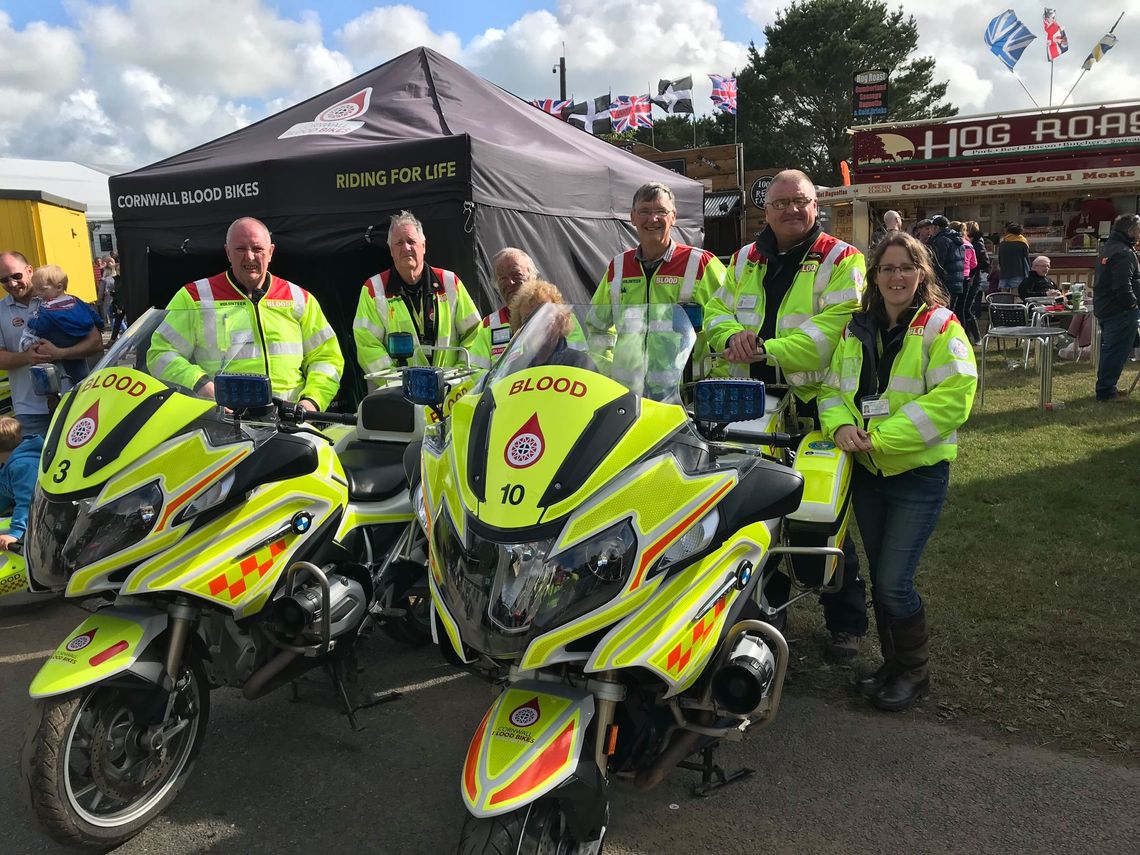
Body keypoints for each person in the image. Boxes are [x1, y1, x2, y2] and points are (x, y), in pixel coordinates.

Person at [705, 168, 868, 660]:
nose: (792, 210)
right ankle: (762, 617)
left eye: (802, 202)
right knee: (751, 513)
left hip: (816, 405)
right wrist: (728, 337)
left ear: (816, 206)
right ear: (766, 210)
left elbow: (833, 329)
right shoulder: (743, 259)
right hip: (751, 405)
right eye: (782, 203)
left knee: (820, 515)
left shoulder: (843, 259)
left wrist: (764, 350)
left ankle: (846, 622)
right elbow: (715, 310)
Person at [819, 232, 976, 711]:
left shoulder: (939, 326)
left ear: (922, 273)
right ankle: (892, 667)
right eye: (886, 268)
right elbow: (831, 391)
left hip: (915, 475)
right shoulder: (855, 328)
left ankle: (914, 673)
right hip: (867, 473)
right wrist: (842, 425)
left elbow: (953, 398)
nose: (896, 276)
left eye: (906, 267)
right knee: (883, 574)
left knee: (893, 582)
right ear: (874, 276)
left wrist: (882, 439)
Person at [148, 218, 344, 411]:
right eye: (240, 249)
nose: (249, 257)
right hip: (223, 422)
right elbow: (161, 353)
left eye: (257, 249)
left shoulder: (299, 298)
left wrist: (311, 401)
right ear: (227, 252)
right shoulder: (194, 297)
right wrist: (202, 386)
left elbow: (327, 358)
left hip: (289, 421)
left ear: (271, 252)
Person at [587, 182, 727, 391]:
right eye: (644, 211)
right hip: (628, 394)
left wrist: (714, 381)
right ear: (632, 217)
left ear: (673, 217)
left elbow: (729, 323)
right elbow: (596, 326)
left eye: (661, 211)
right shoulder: (619, 267)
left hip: (685, 396)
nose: (653, 219)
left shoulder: (701, 264)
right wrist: (607, 372)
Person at [354, 210, 480, 380]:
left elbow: (474, 333)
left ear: (424, 246)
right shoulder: (374, 289)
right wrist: (401, 382)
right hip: (399, 393)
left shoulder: (450, 282)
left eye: (411, 241)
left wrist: (457, 376)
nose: (406, 247)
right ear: (391, 250)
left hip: (450, 388)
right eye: (399, 243)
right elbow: (367, 345)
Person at [0, 251, 103, 437]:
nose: (12, 284)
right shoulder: (0, 311)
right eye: (4, 280)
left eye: (16, 276)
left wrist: (60, 353)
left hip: (76, 399)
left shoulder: (62, 300)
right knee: (39, 463)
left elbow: (96, 343)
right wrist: (26, 357)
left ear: (29, 270)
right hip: (30, 410)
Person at [21, 265, 103, 389]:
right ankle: (82, 386)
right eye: (36, 289)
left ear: (59, 287)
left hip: (60, 342)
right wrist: (99, 324)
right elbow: (91, 313)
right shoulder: (74, 300)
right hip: (78, 338)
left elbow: (42, 326)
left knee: (48, 364)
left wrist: (32, 322)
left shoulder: (49, 307)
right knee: (79, 370)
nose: (38, 293)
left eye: (42, 289)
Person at [1093, 213, 1140, 402]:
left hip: (1107, 307)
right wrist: (1132, 303)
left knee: (1112, 349)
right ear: (1130, 230)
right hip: (1119, 309)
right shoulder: (1123, 252)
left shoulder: (1110, 248)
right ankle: (1106, 391)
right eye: (1138, 230)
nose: (1139, 235)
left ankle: (1107, 387)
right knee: (1115, 351)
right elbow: (1122, 284)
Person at [470, 248, 538, 369]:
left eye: (516, 274)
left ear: (532, 276)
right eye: (502, 278)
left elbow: (577, 361)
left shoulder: (557, 315)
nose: (510, 282)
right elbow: (476, 372)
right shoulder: (490, 324)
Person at [508, 280, 593, 370]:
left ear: (560, 319)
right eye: (527, 319)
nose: (534, 325)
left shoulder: (579, 362)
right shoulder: (516, 366)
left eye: (541, 317)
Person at [0, 416, 42, 551]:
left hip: (44, 514)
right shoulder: (7, 462)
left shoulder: (22, 467)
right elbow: (5, 490)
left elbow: (28, 502)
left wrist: (14, 534)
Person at [928, 216, 965, 322]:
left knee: (942, 313)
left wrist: (932, 281)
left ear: (936, 227)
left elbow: (938, 263)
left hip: (946, 282)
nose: (930, 230)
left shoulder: (942, 240)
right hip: (957, 282)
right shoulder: (957, 240)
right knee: (951, 312)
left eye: (931, 227)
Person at [963, 221, 989, 344]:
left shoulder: (977, 244)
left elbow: (984, 262)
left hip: (973, 278)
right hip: (971, 277)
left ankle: (977, 337)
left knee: (967, 308)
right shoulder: (974, 242)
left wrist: (972, 271)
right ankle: (969, 336)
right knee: (965, 308)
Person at [997, 223, 1030, 294]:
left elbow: (999, 259)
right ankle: (1014, 305)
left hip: (1004, 272)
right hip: (1018, 272)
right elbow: (1026, 259)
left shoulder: (1003, 243)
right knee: (1015, 295)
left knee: (1004, 296)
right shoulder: (1022, 243)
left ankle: (1004, 305)